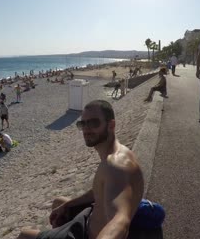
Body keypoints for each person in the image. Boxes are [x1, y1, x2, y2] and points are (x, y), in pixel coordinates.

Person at [17, 100, 144, 239]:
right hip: (89, 216)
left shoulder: (115, 165)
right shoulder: (119, 153)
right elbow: (99, 191)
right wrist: (69, 204)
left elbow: (120, 221)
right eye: (82, 124)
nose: (86, 129)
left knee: (24, 235)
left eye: (94, 123)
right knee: (59, 203)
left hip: (85, 233)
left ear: (111, 125)